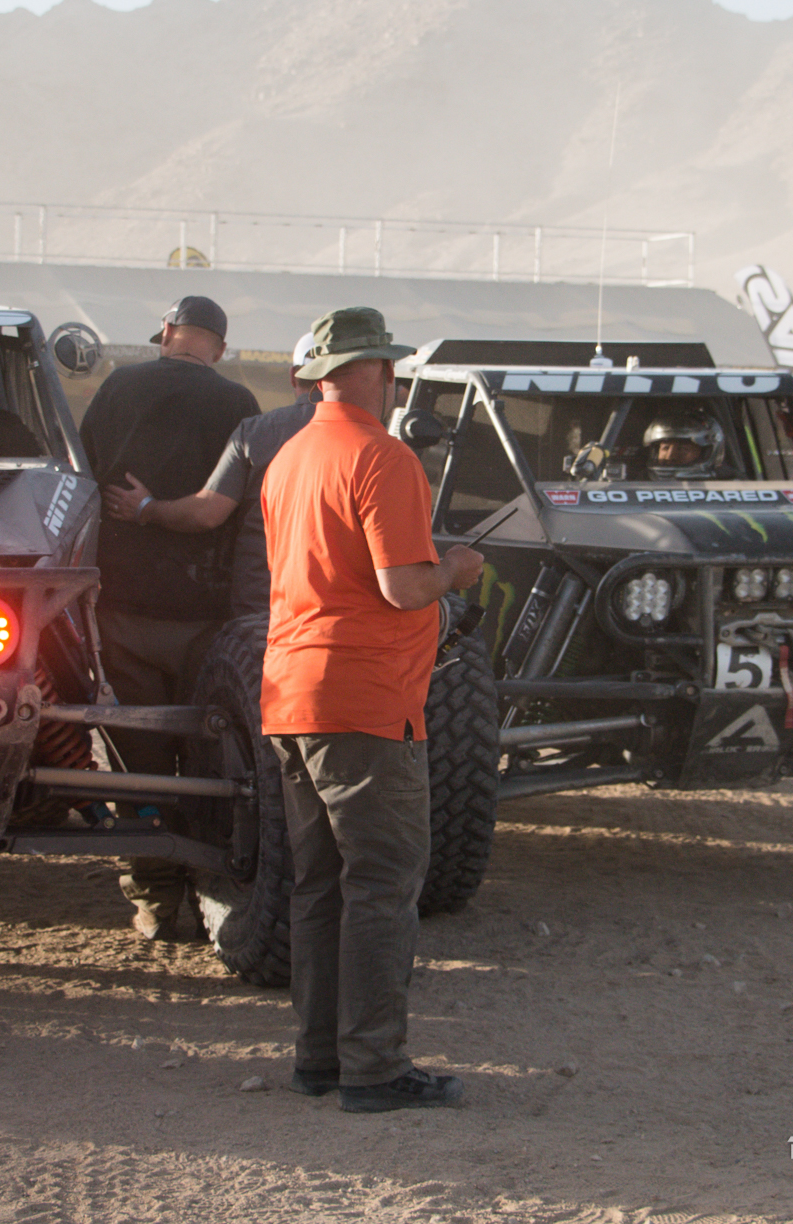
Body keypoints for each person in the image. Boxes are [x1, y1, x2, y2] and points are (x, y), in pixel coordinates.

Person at [258, 306, 486, 1113]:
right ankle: (375, 1069)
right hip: (365, 699)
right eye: (389, 368)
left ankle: (320, 1058)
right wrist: (455, 568)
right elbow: (400, 585)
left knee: (319, 884)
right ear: (380, 372)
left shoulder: (288, 457)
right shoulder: (382, 457)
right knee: (384, 882)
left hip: (291, 694)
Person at [77, 295, 258, 941]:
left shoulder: (119, 387)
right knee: (214, 763)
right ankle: (218, 886)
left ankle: (154, 899)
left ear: (167, 333)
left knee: (137, 764)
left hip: (124, 610)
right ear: (219, 345)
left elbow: (79, 478)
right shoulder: (236, 404)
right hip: (207, 619)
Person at [102, 333, 319, 617]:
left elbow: (207, 513)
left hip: (265, 609)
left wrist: (146, 508)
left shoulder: (258, 432)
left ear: (293, 376)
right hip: (340, 615)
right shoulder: (376, 443)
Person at [640, 408, 725, 480]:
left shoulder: (729, 485)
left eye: (682, 449)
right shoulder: (637, 482)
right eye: (665, 448)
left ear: (705, 453)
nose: (670, 456)